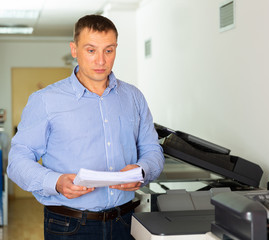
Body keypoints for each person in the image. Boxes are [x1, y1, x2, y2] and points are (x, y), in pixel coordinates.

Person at [7, 14, 164, 240]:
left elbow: (152, 150)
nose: (101, 60)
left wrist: (141, 171)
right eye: (91, 50)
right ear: (74, 49)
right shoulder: (45, 100)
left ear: (116, 49)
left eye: (108, 50)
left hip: (125, 221)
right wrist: (56, 182)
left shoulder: (134, 98)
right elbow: (18, 160)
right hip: (68, 225)